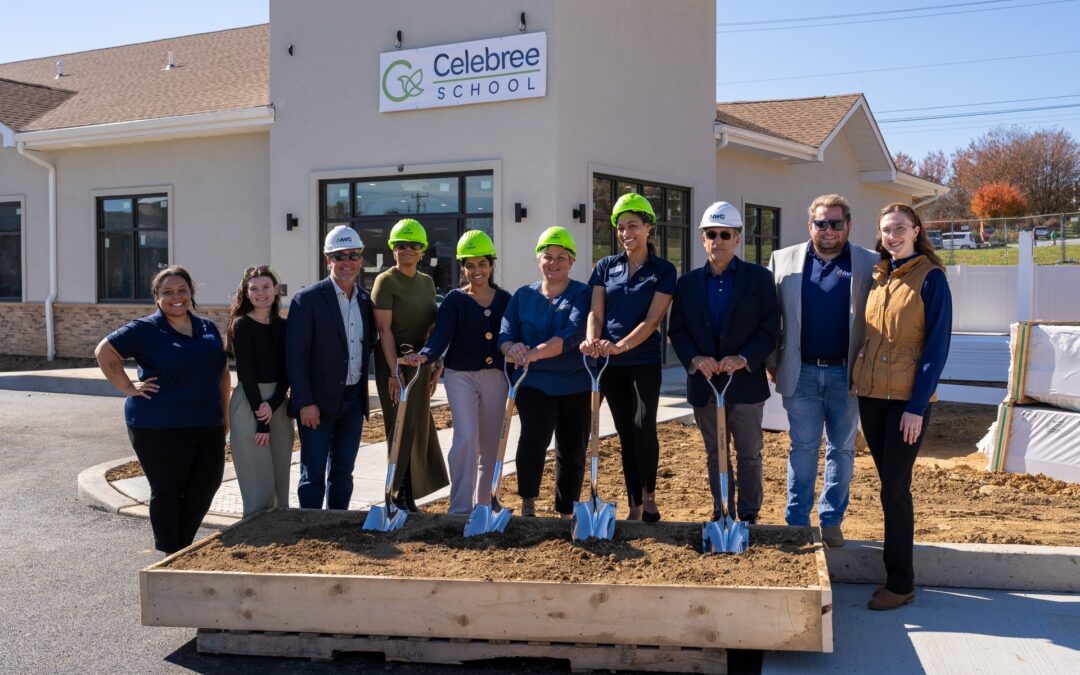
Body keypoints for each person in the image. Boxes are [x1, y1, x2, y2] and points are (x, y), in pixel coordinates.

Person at [852, 202, 952, 611]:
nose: (892, 236)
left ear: (916, 231)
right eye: (886, 230)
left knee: (895, 486)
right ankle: (895, 573)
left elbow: (936, 347)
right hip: (872, 397)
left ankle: (900, 581)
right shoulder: (877, 276)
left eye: (900, 228)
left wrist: (916, 405)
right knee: (887, 484)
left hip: (907, 403)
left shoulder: (931, 278)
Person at [766, 194, 879, 548]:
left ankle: (831, 520)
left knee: (842, 449)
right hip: (801, 373)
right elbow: (770, 317)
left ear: (848, 226)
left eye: (835, 223)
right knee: (802, 447)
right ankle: (797, 522)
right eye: (820, 223)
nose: (827, 230)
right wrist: (772, 361)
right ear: (809, 225)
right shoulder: (784, 261)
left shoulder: (870, 263)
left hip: (848, 375)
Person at [94, 266, 229, 553]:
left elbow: (222, 373)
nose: (176, 297)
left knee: (206, 486)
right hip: (157, 425)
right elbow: (104, 352)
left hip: (207, 422)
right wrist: (129, 387)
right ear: (156, 296)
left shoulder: (207, 328)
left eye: (182, 290)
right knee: (168, 491)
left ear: (191, 292)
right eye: (167, 292)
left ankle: (180, 547)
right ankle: (172, 553)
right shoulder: (145, 329)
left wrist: (225, 416)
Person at [668, 201, 779, 525]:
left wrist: (744, 358)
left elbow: (769, 328)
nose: (717, 240)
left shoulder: (759, 279)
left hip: (744, 383)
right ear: (703, 239)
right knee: (715, 453)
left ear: (737, 238)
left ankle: (748, 515)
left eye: (724, 234)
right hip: (705, 383)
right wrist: (695, 359)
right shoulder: (687, 283)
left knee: (748, 454)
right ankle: (721, 512)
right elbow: (678, 329)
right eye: (711, 234)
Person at [580, 193, 676, 522]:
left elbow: (652, 321)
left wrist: (622, 345)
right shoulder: (606, 266)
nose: (626, 233)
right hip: (609, 364)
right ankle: (635, 504)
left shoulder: (663, 270)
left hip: (643, 361)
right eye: (621, 227)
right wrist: (593, 339)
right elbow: (596, 311)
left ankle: (649, 496)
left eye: (633, 225)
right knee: (624, 433)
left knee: (643, 426)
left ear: (649, 228)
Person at [400, 231, 512, 514]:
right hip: (460, 376)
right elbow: (440, 338)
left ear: (491, 265)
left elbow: (513, 335)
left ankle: (485, 504)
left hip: (496, 377)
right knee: (466, 437)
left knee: (490, 442)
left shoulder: (505, 300)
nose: (477, 271)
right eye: (470, 265)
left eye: (482, 264)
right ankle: (460, 506)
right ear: (462, 267)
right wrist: (424, 356)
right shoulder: (454, 300)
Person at [499, 226, 591, 518]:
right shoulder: (523, 296)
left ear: (572, 261)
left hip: (575, 383)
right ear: (538, 260)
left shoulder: (582, 293)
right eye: (547, 256)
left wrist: (532, 354)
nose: (554, 263)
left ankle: (565, 510)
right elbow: (505, 333)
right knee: (533, 441)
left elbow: (572, 334)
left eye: (561, 257)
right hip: (533, 383)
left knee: (572, 449)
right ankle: (528, 502)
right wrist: (511, 348)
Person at [286, 225, 376, 510]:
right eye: (340, 256)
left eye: (353, 255)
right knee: (312, 474)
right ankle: (311, 529)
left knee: (343, 473)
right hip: (317, 403)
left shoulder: (364, 300)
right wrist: (305, 402)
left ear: (361, 259)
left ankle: (338, 523)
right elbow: (295, 356)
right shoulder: (308, 299)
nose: (347, 262)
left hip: (352, 401)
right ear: (328, 260)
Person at [371, 218, 449, 512]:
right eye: (400, 245)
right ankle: (395, 493)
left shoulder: (427, 282)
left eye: (413, 245)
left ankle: (410, 494)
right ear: (393, 249)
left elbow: (431, 329)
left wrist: (436, 360)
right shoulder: (386, 281)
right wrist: (393, 373)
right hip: (395, 365)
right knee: (398, 426)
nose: (406, 250)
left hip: (421, 365)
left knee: (417, 426)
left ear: (422, 250)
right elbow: (384, 331)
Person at [225, 265, 293, 515]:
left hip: (278, 404)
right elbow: (246, 374)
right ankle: (254, 528)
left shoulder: (284, 326)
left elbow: (288, 371)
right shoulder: (242, 325)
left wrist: (274, 403)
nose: (260, 293)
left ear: (276, 290)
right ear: (246, 292)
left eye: (266, 287)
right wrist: (262, 419)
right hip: (250, 404)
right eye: (254, 288)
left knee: (279, 474)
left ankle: (279, 527)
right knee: (259, 478)